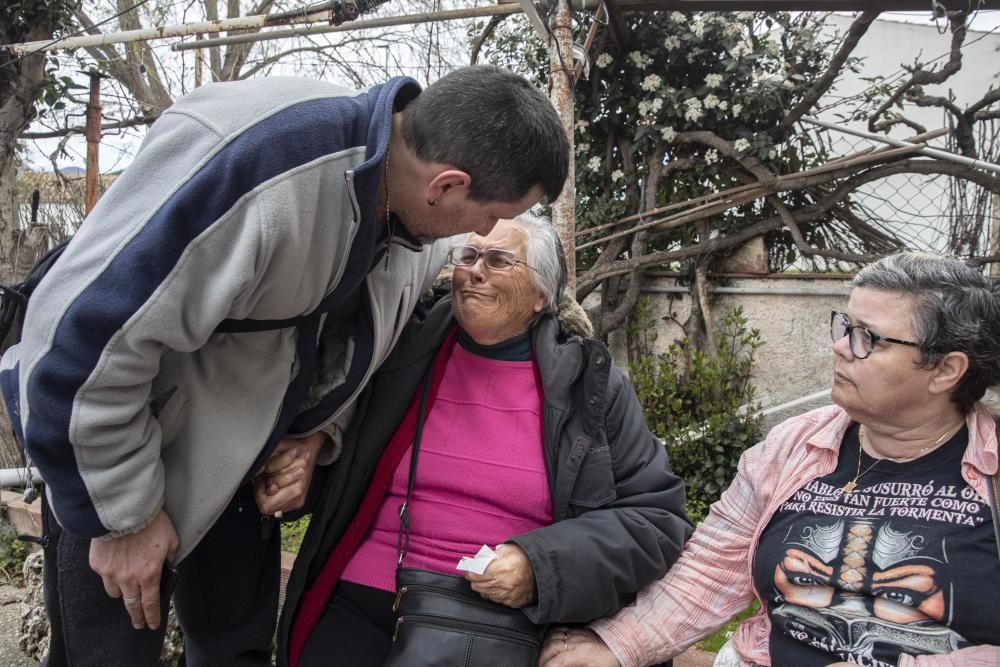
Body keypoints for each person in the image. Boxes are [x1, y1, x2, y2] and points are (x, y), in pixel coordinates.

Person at [0, 65, 569, 666]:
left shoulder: (407, 212)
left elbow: (356, 341)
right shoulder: (265, 167)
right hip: (121, 455)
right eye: (486, 217)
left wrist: (317, 434)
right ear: (448, 185)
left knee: (236, 652)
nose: (479, 237)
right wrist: (120, 517)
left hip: (238, 472)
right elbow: (72, 346)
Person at [541, 252, 1000, 667]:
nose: (841, 347)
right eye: (845, 326)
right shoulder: (796, 443)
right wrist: (619, 645)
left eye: (868, 338)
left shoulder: (991, 468)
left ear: (945, 370)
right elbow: (711, 567)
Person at [271, 214, 692, 667]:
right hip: (358, 598)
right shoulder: (403, 351)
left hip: (492, 622)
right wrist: (310, 444)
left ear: (541, 295)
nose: (473, 270)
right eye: (468, 256)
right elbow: (333, 412)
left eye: (498, 260)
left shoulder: (588, 386)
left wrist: (541, 567)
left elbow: (656, 519)